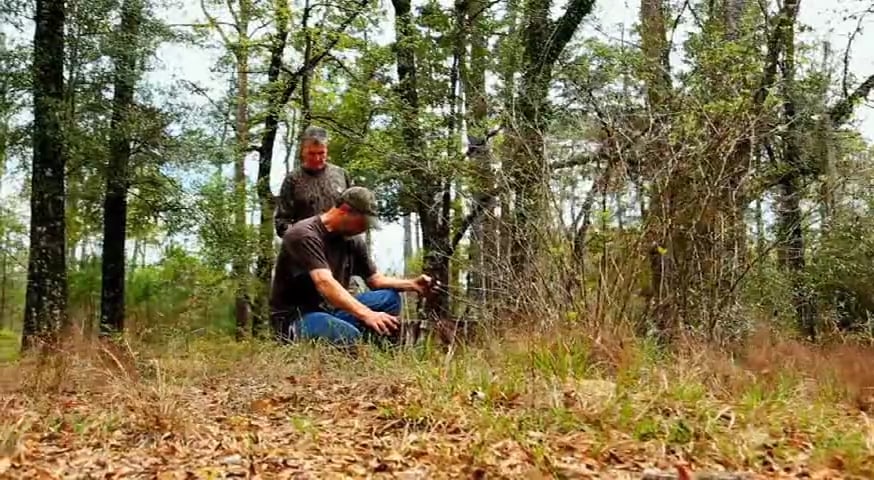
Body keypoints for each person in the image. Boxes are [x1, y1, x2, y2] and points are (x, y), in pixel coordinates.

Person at [269, 186, 433, 346]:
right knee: (349, 335)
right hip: (297, 317)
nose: (364, 229)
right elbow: (324, 283)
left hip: (332, 310)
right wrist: (367, 314)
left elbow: (375, 280)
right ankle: (351, 338)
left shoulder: (352, 240)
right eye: (363, 222)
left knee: (390, 299)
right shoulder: (304, 235)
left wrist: (411, 284)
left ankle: (365, 339)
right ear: (346, 210)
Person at [274, 126, 353, 238]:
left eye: (321, 153)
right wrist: (299, 235)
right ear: (303, 151)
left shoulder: (341, 175)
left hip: (339, 247)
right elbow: (281, 222)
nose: (316, 158)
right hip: (306, 248)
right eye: (311, 153)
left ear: (327, 150)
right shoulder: (292, 180)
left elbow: (354, 213)